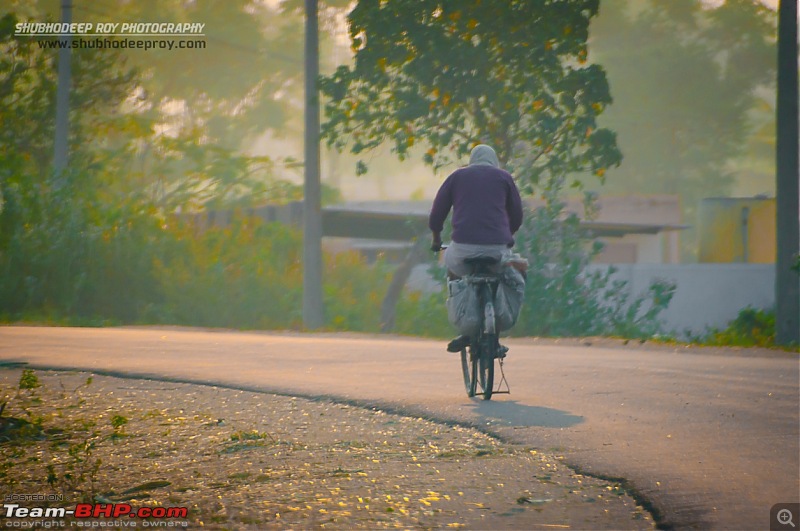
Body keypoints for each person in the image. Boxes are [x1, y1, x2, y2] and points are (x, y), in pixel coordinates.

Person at [428, 144, 524, 352]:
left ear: (472, 160)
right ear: (494, 161)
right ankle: (495, 335)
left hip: (463, 250)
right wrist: (509, 235)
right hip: (497, 250)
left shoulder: (457, 177)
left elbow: (437, 212)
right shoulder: (504, 177)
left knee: (453, 269)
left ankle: (464, 325)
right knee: (503, 277)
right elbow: (517, 215)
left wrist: (436, 239)